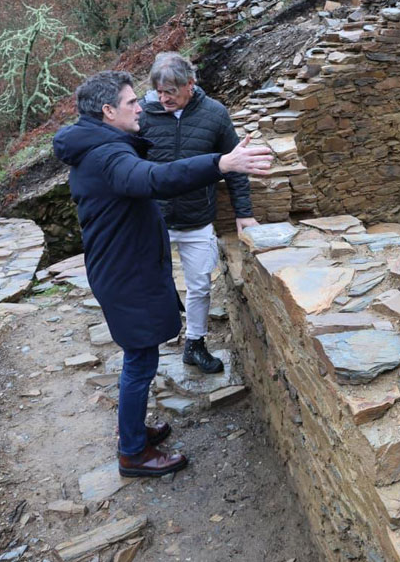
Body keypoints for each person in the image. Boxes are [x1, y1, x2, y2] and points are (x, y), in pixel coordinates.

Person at [53, 70, 274, 477]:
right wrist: (220, 163)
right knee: (139, 361)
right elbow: (154, 178)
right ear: (107, 111)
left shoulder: (100, 144)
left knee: (142, 356)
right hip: (125, 274)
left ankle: (134, 431)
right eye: (131, 102)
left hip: (124, 266)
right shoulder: (107, 156)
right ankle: (133, 454)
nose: (141, 106)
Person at [138, 52, 257, 374]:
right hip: (151, 219)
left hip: (196, 219)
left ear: (190, 85)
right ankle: (145, 348)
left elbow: (236, 164)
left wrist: (243, 213)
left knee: (200, 284)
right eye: (159, 92)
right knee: (147, 284)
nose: (163, 99)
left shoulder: (214, 114)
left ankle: (195, 344)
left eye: (171, 93)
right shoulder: (141, 117)